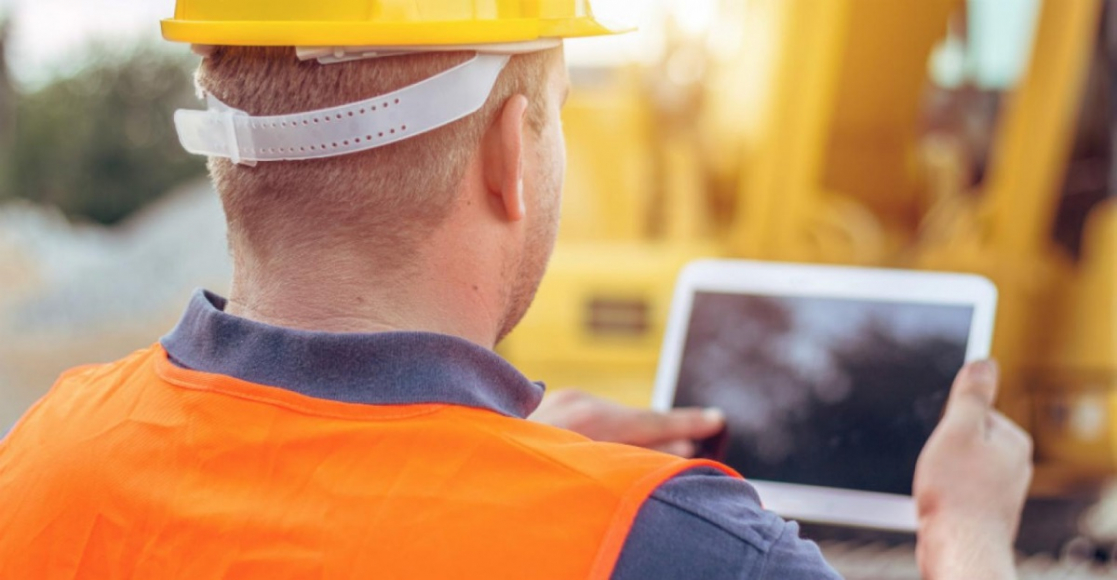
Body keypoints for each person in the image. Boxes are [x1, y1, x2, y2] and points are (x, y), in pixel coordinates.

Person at [0, 3, 1033, 579]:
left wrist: (522, 454)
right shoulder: (682, 552)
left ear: (226, 154)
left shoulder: (44, 453)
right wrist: (966, 535)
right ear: (511, 152)